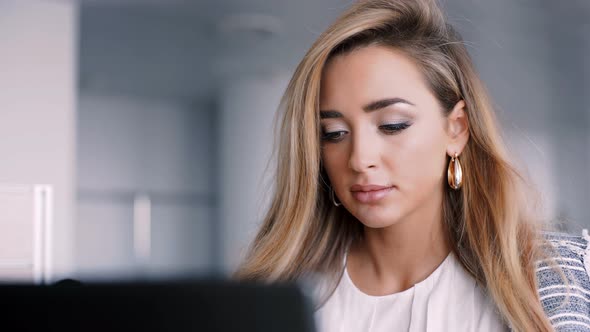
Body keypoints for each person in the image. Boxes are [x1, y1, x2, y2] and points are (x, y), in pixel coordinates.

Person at [234, 0, 590, 331]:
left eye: (392, 125)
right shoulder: (269, 298)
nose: (360, 159)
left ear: (456, 128)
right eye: (334, 133)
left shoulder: (560, 277)